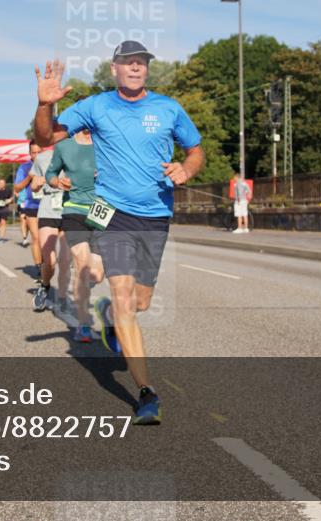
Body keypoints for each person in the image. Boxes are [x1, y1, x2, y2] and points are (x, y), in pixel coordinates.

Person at [33, 40, 204, 425]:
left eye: (141, 63)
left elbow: (195, 149)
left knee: (140, 303)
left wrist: (187, 170)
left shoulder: (167, 108)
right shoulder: (96, 106)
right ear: (114, 69)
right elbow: (46, 138)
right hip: (112, 212)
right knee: (125, 297)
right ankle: (146, 392)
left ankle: (108, 314)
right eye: (128, 62)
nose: (135, 68)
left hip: (156, 215)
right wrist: (45, 105)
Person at [46, 127, 104, 342]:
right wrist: (57, 182)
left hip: (102, 210)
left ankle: (83, 293)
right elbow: (51, 173)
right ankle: (84, 323)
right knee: (82, 263)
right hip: (74, 209)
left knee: (96, 275)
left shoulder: (107, 142)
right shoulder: (64, 146)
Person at [30, 143, 70, 312]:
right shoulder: (42, 157)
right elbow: (33, 185)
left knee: (66, 259)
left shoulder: (77, 153)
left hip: (70, 209)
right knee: (50, 260)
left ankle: (62, 296)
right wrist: (37, 182)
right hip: (48, 209)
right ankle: (45, 286)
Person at [13, 144, 43, 280]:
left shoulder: (50, 164)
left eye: (39, 152)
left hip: (49, 206)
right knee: (36, 238)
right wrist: (29, 178)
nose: (36, 155)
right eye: (33, 153)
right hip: (32, 205)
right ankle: (39, 268)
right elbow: (17, 187)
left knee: (47, 240)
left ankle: (48, 263)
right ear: (29, 153)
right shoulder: (24, 167)